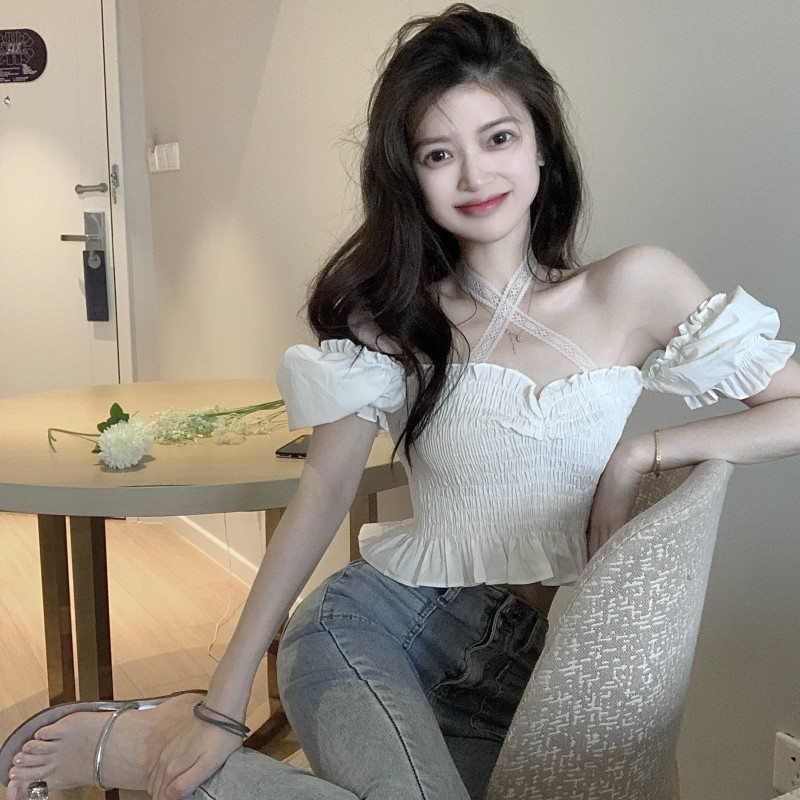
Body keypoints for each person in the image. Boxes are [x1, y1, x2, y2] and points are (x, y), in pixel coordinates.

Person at [3, 4, 799, 800]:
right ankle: (168, 735)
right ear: (410, 175)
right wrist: (224, 700)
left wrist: (645, 451)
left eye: (498, 138)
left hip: (533, 675)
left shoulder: (631, 288)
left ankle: (144, 748)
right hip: (378, 631)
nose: (474, 176)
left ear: (542, 145)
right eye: (438, 154)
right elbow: (324, 491)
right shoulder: (393, 319)